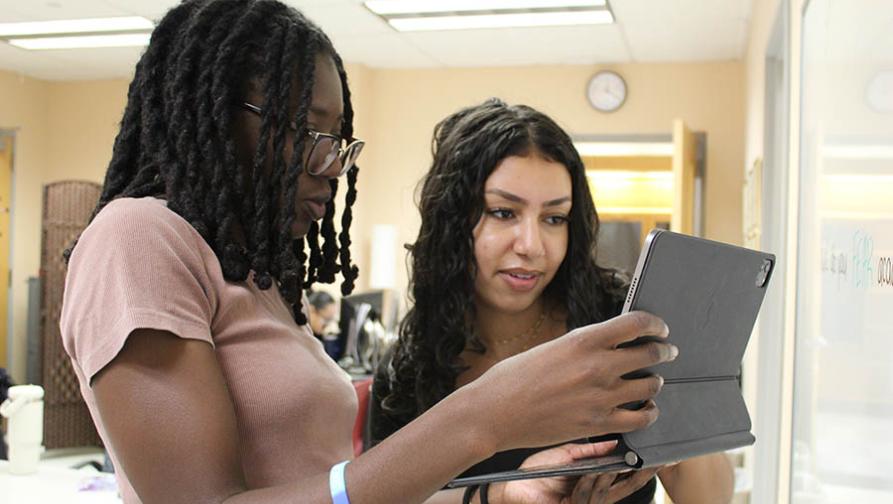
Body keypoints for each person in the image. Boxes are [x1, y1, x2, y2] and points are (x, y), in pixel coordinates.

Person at [59, 2, 676, 503]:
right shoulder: (136, 238)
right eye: (305, 132)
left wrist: (500, 496)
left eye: (337, 140)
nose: (331, 166)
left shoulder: (257, 278)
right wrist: (484, 416)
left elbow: (337, 487)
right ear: (216, 115)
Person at [370, 99, 735, 504]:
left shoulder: (622, 326)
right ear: (452, 222)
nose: (531, 246)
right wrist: (501, 496)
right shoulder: (413, 365)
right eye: (503, 212)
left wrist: (673, 412)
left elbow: (711, 497)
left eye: (554, 218)